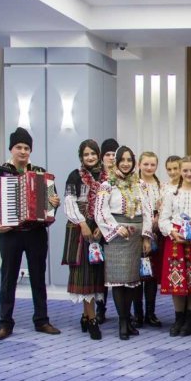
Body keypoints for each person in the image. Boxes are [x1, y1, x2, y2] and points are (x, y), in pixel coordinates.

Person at [0, 127, 62, 340]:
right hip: (10, 234)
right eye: (19, 147)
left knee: (38, 277)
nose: (23, 151)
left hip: (35, 233)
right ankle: (5, 323)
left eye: (27, 147)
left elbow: (51, 204)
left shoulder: (40, 173)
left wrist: (54, 203)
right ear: (11, 148)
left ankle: (41, 320)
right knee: (8, 278)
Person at [94, 146, 153, 340]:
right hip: (116, 236)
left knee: (132, 281)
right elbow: (100, 211)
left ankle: (128, 319)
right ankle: (122, 321)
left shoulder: (141, 184)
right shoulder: (107, 185)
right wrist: (115, 227)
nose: (126, 163)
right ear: (117, 161)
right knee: (118, 280)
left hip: (135, 236)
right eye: (122, 160)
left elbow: (147, 211)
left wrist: (146, 236)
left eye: (129, 160)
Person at [62, 139, 107, 340]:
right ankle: (91, 319)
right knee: (84, 276)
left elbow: (107, 204)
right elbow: (69, 204)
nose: (90, 157)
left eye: (93, 154)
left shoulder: (106, 177)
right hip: (80, 229)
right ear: (81, 156)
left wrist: (100, 227)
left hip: (99, 228)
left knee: (97, 274)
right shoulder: (75, 176)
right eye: (86, 154)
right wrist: (83, 224)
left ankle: (86, 315)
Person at [159, 156, 191, 337]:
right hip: (176, 239)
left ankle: (190, 319)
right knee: (177, 278)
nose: (189, 174)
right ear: (181, 171)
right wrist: (171, 231)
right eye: (186, 170)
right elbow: (164, 218)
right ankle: (179, 318)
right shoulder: (172, 193)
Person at [135, 151, 163, 328]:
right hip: (138, 232)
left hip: (156, 233)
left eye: (152, 165)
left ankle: (150, 313)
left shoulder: (161, 185)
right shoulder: (134, 184)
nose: (149, 168)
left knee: (151, 276)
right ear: (139, 165)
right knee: (138, 275)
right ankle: (137, 314)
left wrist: (157, 219)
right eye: (146, 164)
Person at [95, 138, 119, 324]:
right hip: (99, 229)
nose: (111, 158)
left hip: (119, 230)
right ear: (102, 158)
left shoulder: (123, 176)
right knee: (100, 272)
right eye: (108, 155)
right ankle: (100, 308)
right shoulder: (95, 177)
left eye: (114, 154)